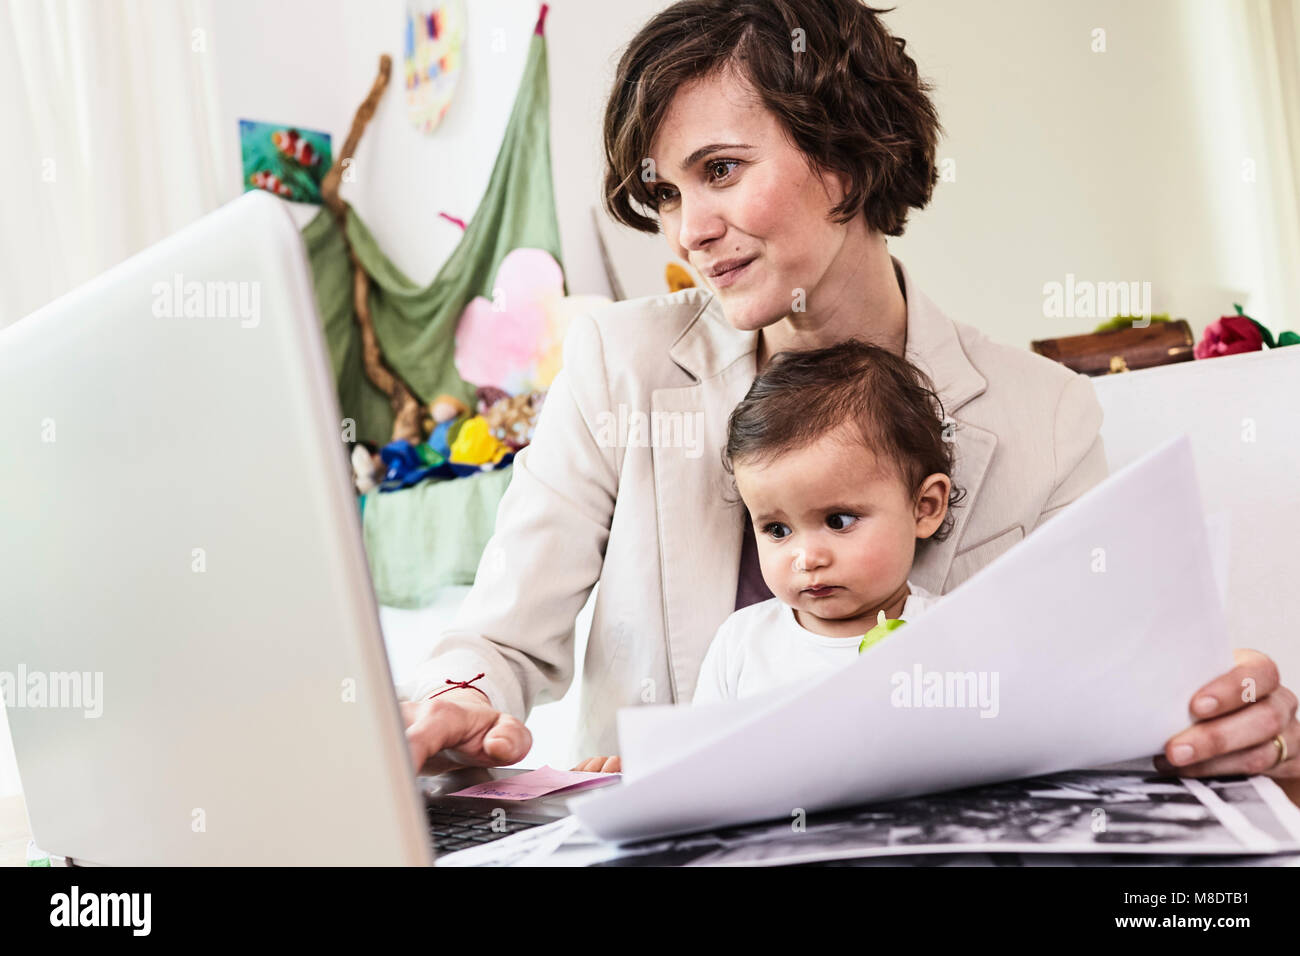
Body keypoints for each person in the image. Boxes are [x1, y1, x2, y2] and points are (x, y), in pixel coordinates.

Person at [402, 0, 1298, 794]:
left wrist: (1216, 710)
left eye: (719, 171)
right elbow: (501, 639)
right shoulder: (616, 364)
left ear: (848, 153)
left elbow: (1115, 690)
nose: (689, 231)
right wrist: (458, 700)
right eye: (666, 193)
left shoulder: (1047, 415)